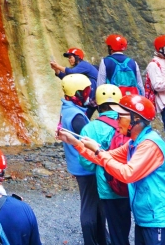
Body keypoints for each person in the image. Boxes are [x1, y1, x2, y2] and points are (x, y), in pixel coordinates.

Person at [61, 94, 165, 245]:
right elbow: (105, 157)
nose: (117, 120)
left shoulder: (150, 144)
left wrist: (99, 151)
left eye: (121, 116)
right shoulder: (134, 143)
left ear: (136, 119)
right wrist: (76, 143)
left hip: (160, 219)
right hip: (147, 218)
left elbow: (127, 173)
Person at [79, 84, 131, 245]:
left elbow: (86, 164)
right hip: (128, 183)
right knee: (123, 227)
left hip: (107, 187)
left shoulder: (89, 128)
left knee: (113, 228)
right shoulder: (128, 122)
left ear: (98, 104)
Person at [59, 74, 105, 245]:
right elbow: (87, 140)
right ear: (75, 93)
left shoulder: (67, 109)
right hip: (85, 167)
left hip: (77, 164)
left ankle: (102, 237)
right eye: (85, 92)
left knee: (96, 203)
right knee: (89, 205)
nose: (88, 95)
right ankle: (91, 241)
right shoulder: (76, 116)